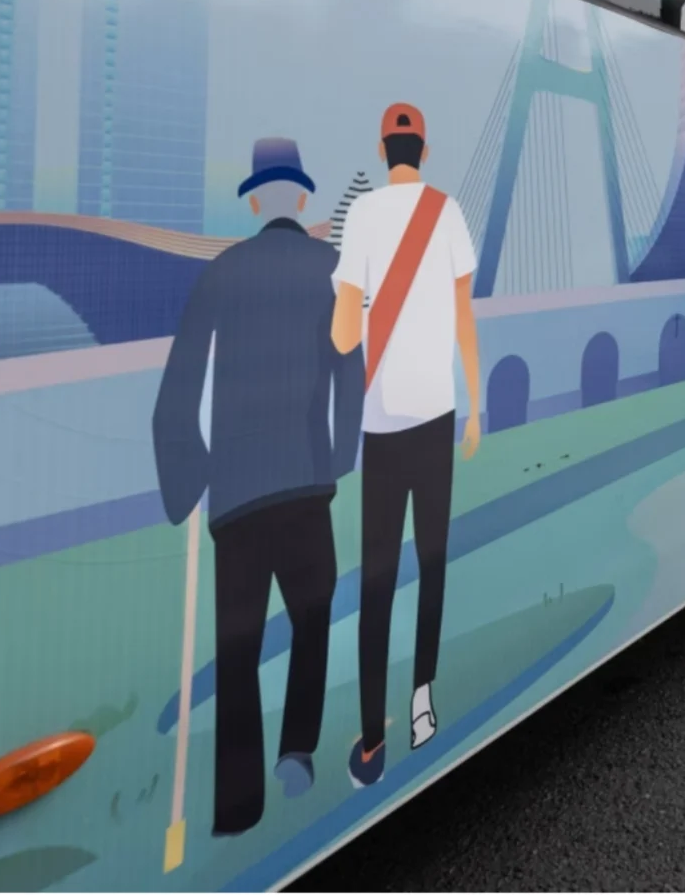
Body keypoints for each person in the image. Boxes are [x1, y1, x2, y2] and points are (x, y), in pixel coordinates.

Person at [151, 137, 363, 836]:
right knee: (310, 618)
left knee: (237, 646)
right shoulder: (331, 271)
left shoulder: (222, 273)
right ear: (299, 198)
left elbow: (179, 390)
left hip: (236, 494)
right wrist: (335, 460)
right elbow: (348, 373)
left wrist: (189, 475)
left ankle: (238, 804)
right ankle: (296, 750)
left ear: (253, 199)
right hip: (305, 482)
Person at [332, 104, 484, 784]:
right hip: (437, 413)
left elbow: (342, 338)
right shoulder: (448, 214)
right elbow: (463, 319)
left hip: (383, 422)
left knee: (377, 580)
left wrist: (352, 315)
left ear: (382, 145)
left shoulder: (362, 216)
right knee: (433, 560)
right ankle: (424, 700)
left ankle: (371, 740)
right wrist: (476, 406)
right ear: (425, 148)